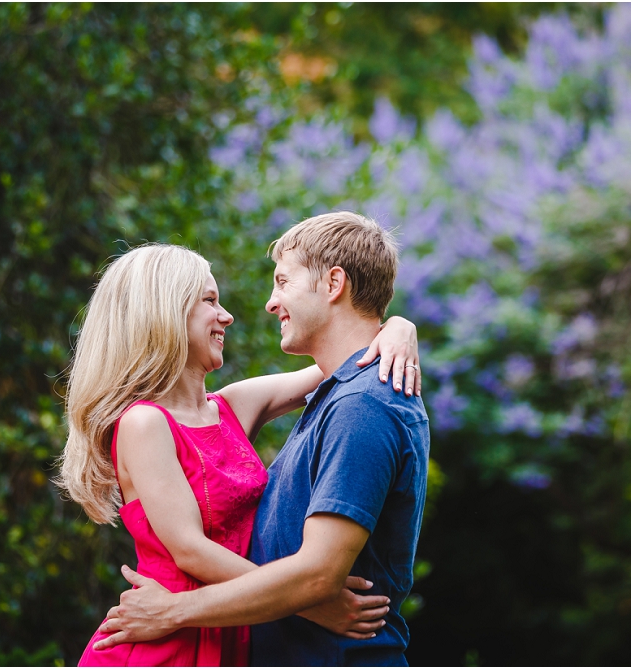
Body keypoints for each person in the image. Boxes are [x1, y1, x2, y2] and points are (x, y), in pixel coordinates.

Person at [57, 242, 421, 666]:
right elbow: (190, 550)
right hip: (168, 639)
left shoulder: (232, 406)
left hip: (232, 628)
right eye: (210, 301)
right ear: (166, 313)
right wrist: (309, 601)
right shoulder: (144, 423)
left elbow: (341, 359)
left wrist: (398, 327)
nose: (226, 315)